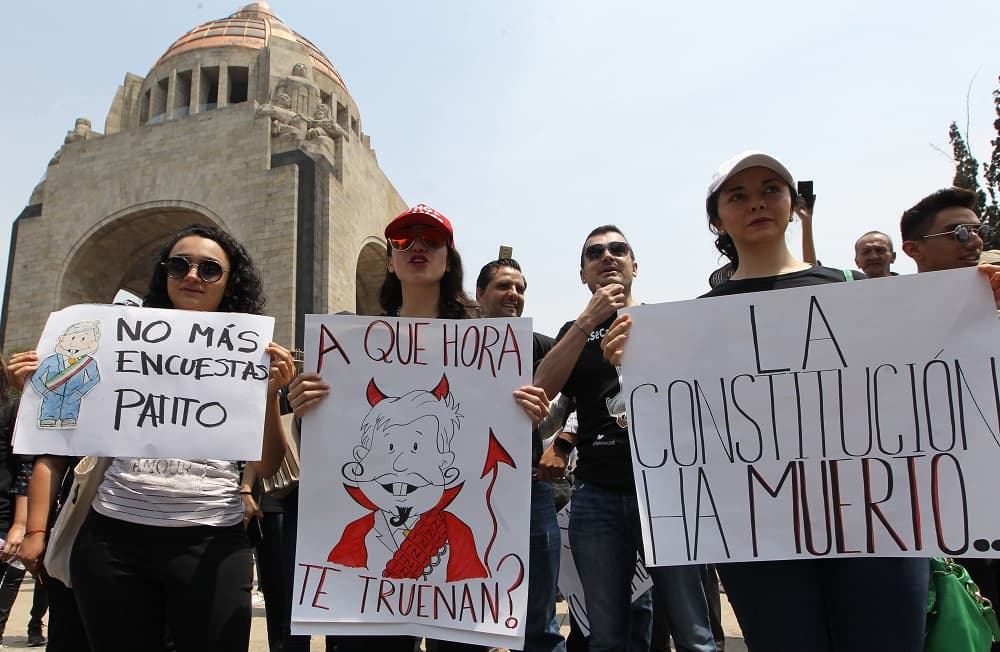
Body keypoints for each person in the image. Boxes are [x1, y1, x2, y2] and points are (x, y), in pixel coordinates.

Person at [601, 151, 998, 652]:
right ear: (716, 217)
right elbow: (673, 425)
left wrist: (979, 316)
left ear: (793, 206)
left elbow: (930, 386)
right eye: (738, 195)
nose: (757, 203)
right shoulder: (689, 325)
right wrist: (633, 369)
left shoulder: (855, 291)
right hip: (758, 537)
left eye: (771, 189)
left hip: (877, 526)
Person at [17, 224, 295, 652]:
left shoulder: (249, 355)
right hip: (113, 536)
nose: (192, 276)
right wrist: (41, 387)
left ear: (229, 280)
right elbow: (69, 428)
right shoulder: (117, 343)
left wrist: (272, 393)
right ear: (164, 275)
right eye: (179, 265)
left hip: (212, 540)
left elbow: (270, 464)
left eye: (209, 269)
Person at [288, 205, 550, 652]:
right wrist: (302, 409)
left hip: (456, 599)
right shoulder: (349, 344)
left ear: (449, 260)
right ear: (389, 260)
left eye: (430, 241)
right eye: (403, 242)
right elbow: (322, 446)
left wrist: (527, 411)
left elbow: (504, 450)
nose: (416, 248)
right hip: (364, 601)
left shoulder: (487, 347)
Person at [533, 225, 716, 652]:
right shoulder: (573, 331)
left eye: (618, 249)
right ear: (583, 274)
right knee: (608, 636)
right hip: (597, 496)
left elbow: (697, 395)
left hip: (667, 491)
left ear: (635, 264)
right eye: (594, 253)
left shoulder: (666, 322)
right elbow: (542, 389)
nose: (607, 257)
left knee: (693, 632)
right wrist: (586, 323)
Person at [900, 187, 1000, 650]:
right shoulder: (881, 321)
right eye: (957, 231)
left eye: (977, 230)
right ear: (913, 249)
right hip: (937, 514)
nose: (971, 240)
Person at [475, 257, 565, 652]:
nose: (514, 294)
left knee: (539, 623)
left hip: (529, 495)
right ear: (479, 295)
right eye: (504, 286)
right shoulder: (448, 343)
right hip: (462, 499)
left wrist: (559, 439)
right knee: (465, 617)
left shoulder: (539, 346)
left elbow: (586, 386)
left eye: (521, 288)